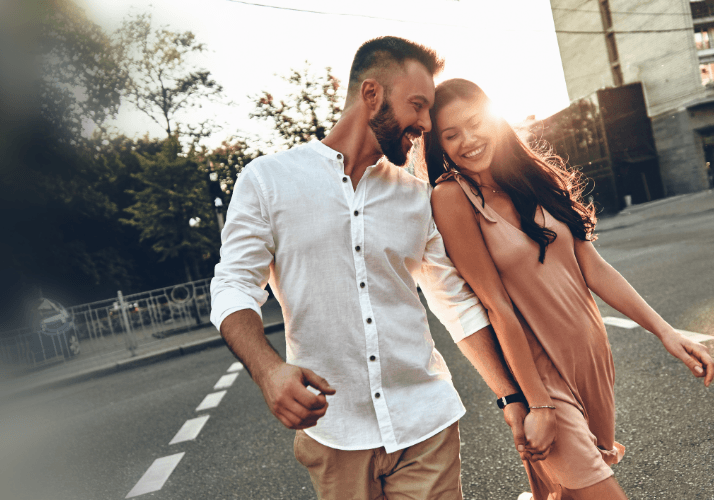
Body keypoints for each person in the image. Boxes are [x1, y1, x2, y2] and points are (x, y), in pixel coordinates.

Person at [210, 38, 541, 499]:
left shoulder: (415, 195)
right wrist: (269, 371)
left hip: (426, 422)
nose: (426, 124)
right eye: (418, 106)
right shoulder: (268, 181)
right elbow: (233, 286)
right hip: (335, 435)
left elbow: (455, 303)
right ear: (372, 95)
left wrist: (511, 396)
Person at [424, 79, 714, 500]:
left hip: (591, 359)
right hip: (541, 371)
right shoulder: (451, 198)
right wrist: (536, 402)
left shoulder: (532, 179)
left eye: (474, 123)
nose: (468, 140)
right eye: (451, 135)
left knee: (562, 494)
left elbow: (594, 269)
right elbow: (496, 306)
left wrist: (666, 332)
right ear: (440, 145)